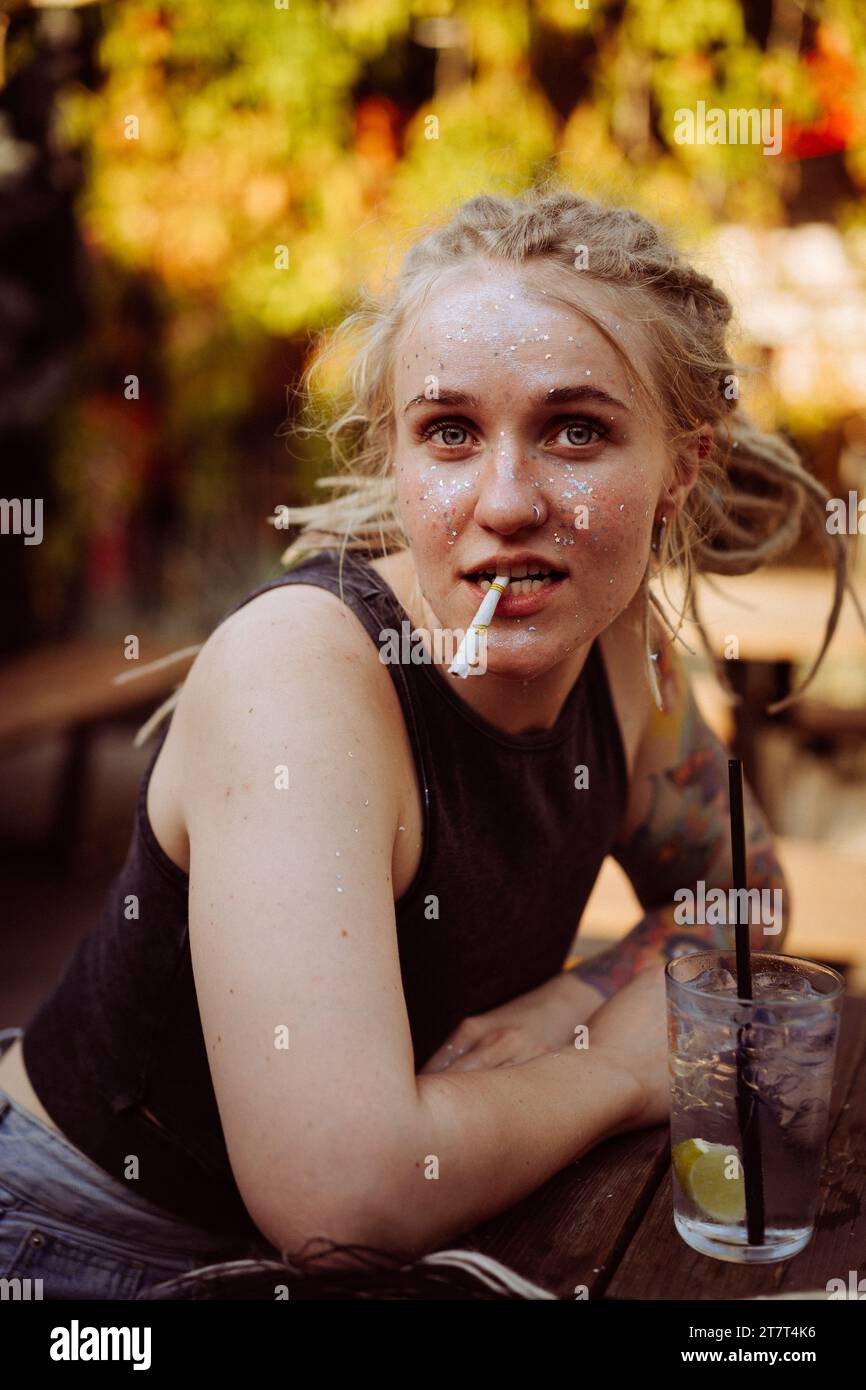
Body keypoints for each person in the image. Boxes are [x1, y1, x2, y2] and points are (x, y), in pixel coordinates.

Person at [0, 186, 859, 1300]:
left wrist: (568, 1001)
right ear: (397, 458)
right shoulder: (303, 675)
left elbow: (742, 887)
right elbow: (342, 1196)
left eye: (575, 430)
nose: (503, 501)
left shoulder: (622, 649)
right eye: (449, 432)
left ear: (680, 466)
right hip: (91, 1246)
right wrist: (616, 1063)